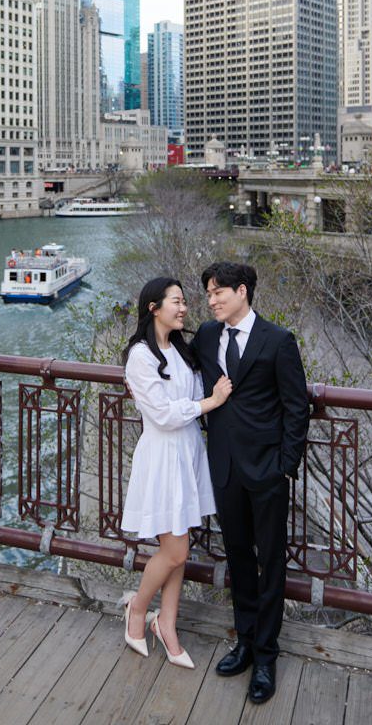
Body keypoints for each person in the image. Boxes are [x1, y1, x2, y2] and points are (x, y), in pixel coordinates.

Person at [192, 262, 309, 705]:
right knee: (238, 555)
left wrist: (285, 465)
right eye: (207, 294)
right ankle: (243, 640)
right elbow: (165, 350)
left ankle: (265, 654)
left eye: (219, 292)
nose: (212, 300)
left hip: (267, 472)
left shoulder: (278, 341)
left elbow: (296, 407)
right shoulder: (206, 335)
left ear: (243, 291)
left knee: (271, 560)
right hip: (223, 467)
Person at [120, 276, 233, 668]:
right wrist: (210, 402)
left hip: (187, 454)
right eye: (176, 302)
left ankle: (166, 625)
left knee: (179, 550)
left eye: (184, 301)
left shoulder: (181, 352)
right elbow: (165, 415)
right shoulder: (140, 356)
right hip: (163, 457)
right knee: (176, 549)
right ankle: (138, 609)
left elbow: (188, 399)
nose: (184, 308)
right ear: (153, 307)